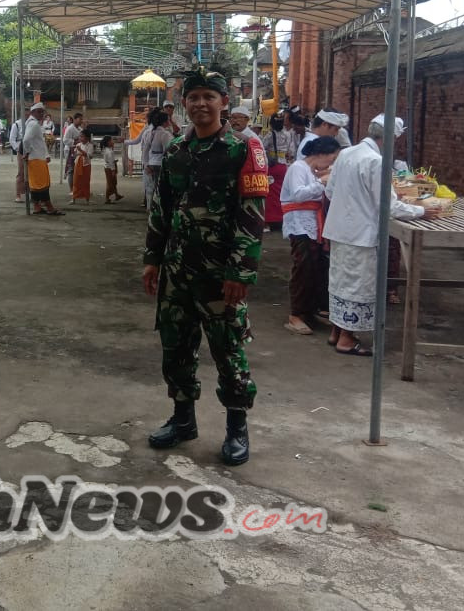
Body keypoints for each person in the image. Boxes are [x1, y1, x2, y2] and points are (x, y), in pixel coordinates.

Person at [143, 71, 268, 466]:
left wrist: (240, 272)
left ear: (223, 102)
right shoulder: (178, 149)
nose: (200, 104)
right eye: (193, 97)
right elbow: (162, 207)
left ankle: (236, 428)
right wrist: (152, 258)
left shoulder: (241, 149)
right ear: (185, 104)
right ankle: (183, 420)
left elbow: (252, 216)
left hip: (220, 274)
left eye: (208, 97)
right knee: (175, 347)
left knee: (228, 351)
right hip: (178, 271)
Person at [323, 114, 440, 355]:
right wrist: (421, 210)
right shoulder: (376, 161)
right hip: (361, 235)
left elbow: (331, 191)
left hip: (339, 231)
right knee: (357, 285)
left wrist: (352, 205)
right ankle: (347, 338)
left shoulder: (347, 153)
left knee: (339, 282)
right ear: (389, 138)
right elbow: (389, 206)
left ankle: (336, 332)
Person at [281, 136, 342, 335]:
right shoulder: (298, 168)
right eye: (331, 159)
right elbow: (298, 194)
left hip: (313, 223)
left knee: (317, 268)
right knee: (303, 269)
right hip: (300, 223)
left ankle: (309, 310)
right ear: (321, 154)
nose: (331, 164)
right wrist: (322, 183)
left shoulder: (312, 170)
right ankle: (296, 314)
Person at [23, 101, 64, 216]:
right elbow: (26, 140)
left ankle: (37, 207)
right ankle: (49, 207)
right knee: (43, 185)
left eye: (42, 112)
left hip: (36, 157)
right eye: (39, 112)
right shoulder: (33, 124)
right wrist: (26, 152)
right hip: (36, 158)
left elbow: (36, 142)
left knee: (36, 185)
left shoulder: (33, 123)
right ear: (33, 112)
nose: (41, 114)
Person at [261, 112, 290, 230]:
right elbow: (290, 149)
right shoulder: (288, 134)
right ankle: (281, 218)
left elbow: (262, 148)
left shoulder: (269, 135)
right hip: (283, 167)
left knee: (270, 194)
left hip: (272, 167)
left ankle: (270, 220)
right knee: (281, 193)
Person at [145, 110, 172, 210]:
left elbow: (146, 150)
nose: (169, 121)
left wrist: (146, 164)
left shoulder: (151, 132)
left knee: (153, 187)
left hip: (152, 163)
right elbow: (168, 151)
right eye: (168, 120)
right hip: (161, 164)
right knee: (161, 188)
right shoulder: (165, 134)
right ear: (164, 122)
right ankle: (158, 208)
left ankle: (150, 207)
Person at [8, 109, 28, 202]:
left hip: (31, 149)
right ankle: (18, 194)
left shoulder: (32, 123)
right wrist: (19, 149)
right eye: (26, 113)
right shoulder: (16, 124)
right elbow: (12, 139)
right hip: (21, 149)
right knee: (21, 172)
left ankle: (30, 193)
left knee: (31, 172)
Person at [70, 127, 93, 204]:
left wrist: (80, 151)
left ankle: (87, 199)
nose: (80, 138)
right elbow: (74, 154)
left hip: (86, 165)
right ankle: (74, 199)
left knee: (86, 182)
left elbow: (90, 156)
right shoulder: (78, 144)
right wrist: (74, 151)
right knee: (76, 181)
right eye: (80, 136)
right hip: (78, 164)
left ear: (87, 138)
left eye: (82, 136)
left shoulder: (90, 145)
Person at [61, 112, 83, 191]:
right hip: (70, 150)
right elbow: (65, 140)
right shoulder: (70, 128)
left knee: (78, 169)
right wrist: (75, 141)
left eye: (82, 119)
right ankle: (71, 189)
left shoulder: (80, 129)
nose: (81, 121)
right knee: (71, 170)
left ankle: (77, 187)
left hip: (78, 150)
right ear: (75, 119)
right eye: (80, 119)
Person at [101, 135, 124, 203]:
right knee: (110, 183)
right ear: (108, 142)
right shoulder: (109, 151)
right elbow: (111, 162)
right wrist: (113, 170)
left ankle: (116, 195)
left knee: (113, 182)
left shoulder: (106, 149)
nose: (113, 141)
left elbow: (110, 160)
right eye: (111, 140)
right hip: (110, 168)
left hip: (108, 167)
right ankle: (107, 198)